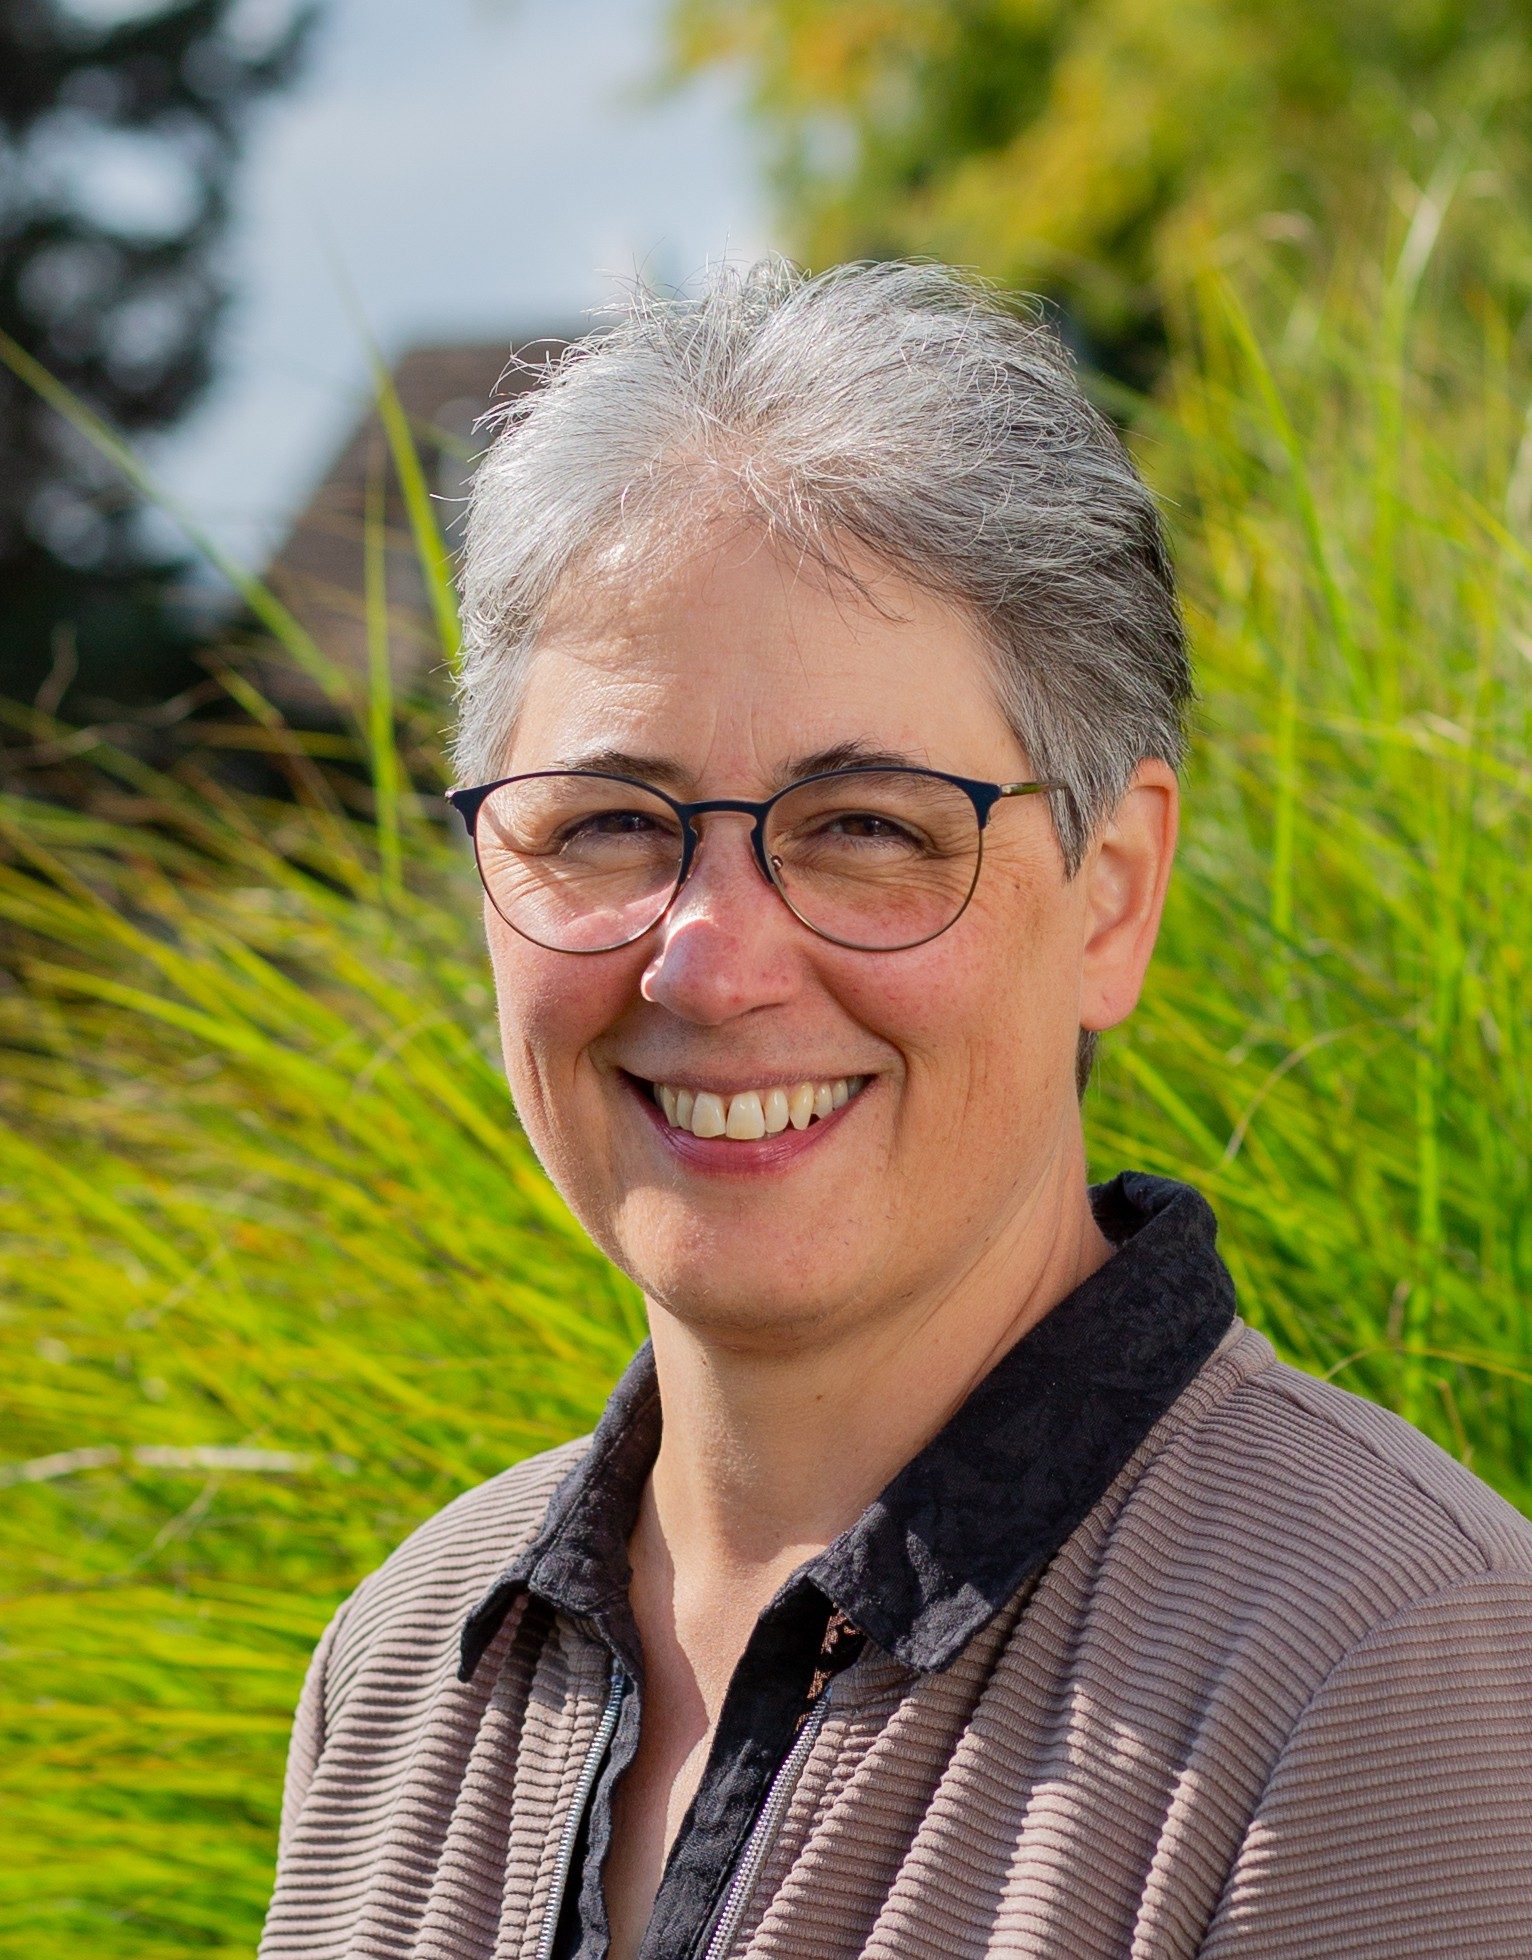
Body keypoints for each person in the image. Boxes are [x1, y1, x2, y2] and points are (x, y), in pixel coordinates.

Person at [258, 259, 1532, 1960]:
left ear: (1112, 894)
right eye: (607, 824)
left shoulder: (1386, 1672)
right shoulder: (404, 1667)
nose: (710, 964)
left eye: (867, 828)